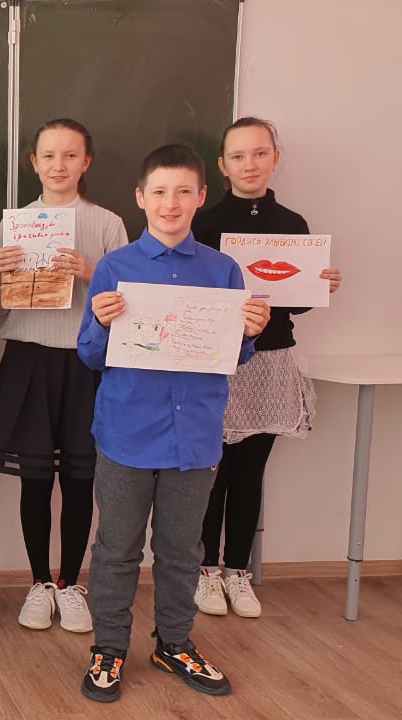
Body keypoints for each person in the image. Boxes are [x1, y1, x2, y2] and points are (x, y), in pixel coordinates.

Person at [77, 144, 270, 703]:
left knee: (183, 550)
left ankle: (175, 643)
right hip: (127, 433)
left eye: (183, 191)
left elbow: (232, 356)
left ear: (201, 197)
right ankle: (109, 648)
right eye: (159, 192)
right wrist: (100, 322)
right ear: (140, 198)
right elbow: (91, 355)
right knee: (117, 549)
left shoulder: (223, 270)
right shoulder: (115, 268)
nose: (171, 203)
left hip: (196, 435)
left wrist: (250, 332)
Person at [0, 118, 128, 633]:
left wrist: (92, 272)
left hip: (86, 363)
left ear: (86, 162)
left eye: (70, 155)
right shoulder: (16, 223)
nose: (58, 165)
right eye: (48, 156)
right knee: (36, 479)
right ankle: (39, 582)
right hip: (30, 359)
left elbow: (127, 308)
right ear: (34, 163)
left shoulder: (107, 224)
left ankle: (70, 583)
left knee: (81, 479)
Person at [191, 117, 342, 619]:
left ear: (275, 158)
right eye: (238, 156)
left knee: (251, 471)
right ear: (222, 165)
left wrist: (319, 286)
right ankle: (205, 571)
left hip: (272, 360)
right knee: (212, 471)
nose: (249, 164)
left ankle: (238, 570)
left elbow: (294, 304)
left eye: (259, 154)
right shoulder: (204, 223)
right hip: (219, 362)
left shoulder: (293, 224)